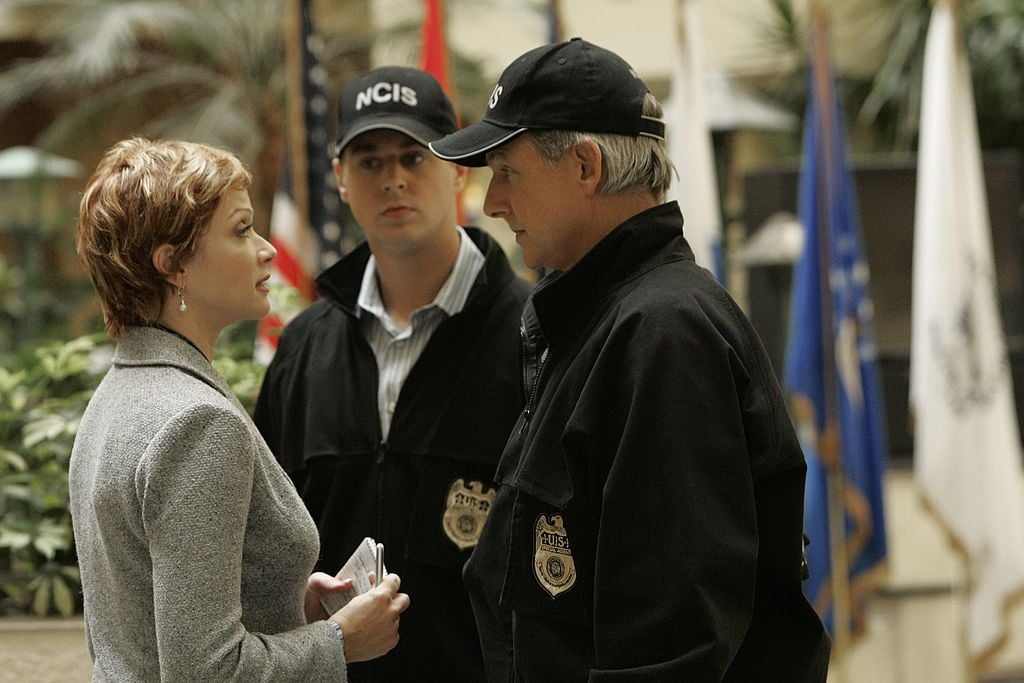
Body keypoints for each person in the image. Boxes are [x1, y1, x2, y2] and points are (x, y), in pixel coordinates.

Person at [429, 38, 832, 681]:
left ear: (585, 166)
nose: (492, 203)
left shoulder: (665, 335)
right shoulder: (599, 321)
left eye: (507, 171)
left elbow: (672, 647)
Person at [70, 137, 409, 681]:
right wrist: (339, 641)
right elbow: (207, 671)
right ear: (173, 264)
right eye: (240, 229)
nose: (267, 248)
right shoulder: (197, 423)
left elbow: (145, 609)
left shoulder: (117, 393)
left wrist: (286, 602)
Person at [254, 67, 532, 681]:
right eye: (371, 162)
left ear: (458, 170)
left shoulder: (535, 337)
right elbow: (263, 543)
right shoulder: (302, 349)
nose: (395, 179)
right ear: (340, 181)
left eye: (415, 156)